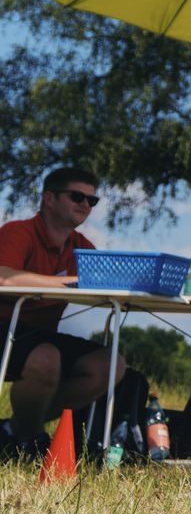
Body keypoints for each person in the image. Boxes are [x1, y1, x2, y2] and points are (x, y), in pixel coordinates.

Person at [0, 167, 125, 459]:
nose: (84, 204)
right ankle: (29, 442)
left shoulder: (81, 246)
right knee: (46, 357)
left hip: (41, 335)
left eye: (91, 201)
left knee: (110, 365)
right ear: (49, 198)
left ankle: (15, 431)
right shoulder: (18, 232)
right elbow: (3, 277)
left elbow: (105, 281)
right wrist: (65, 282)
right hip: (5, 327)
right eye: (76, 196)